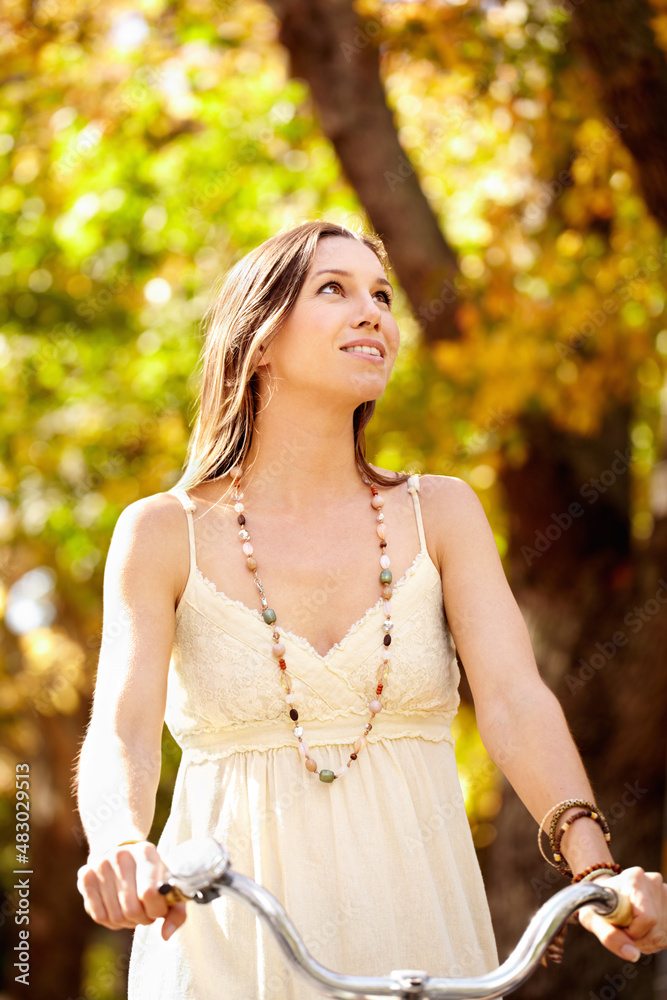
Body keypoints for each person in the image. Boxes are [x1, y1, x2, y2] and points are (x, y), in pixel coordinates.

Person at [74, 219, 666, 999]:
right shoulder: (161, 530)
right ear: (257, 342)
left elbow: (517, 702)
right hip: (227, 942)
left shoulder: (441, 514)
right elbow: (120, 732)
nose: (373, 313)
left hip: (422, 930)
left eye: (381, 295)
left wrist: (597, 872)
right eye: (333, 289)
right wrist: (118, 838)